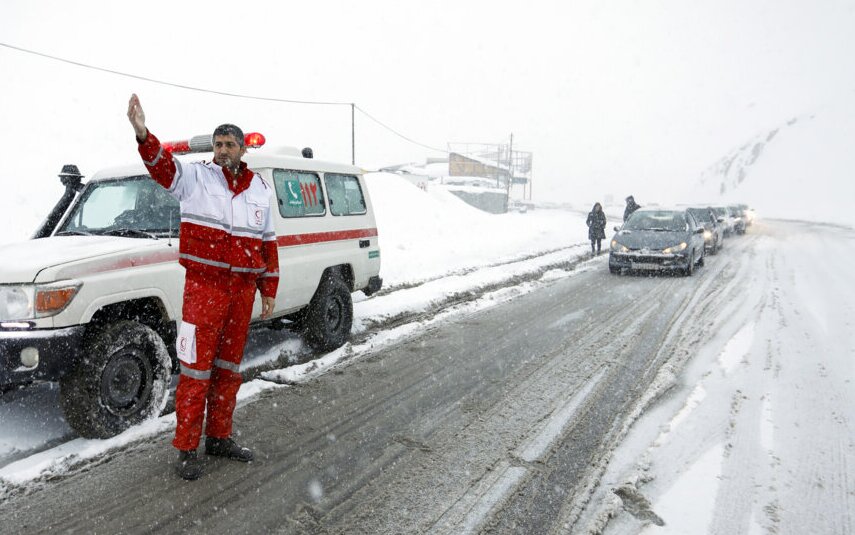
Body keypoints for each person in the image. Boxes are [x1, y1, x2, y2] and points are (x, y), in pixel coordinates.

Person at [127, 94, 279, 480]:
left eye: (230, 144)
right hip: (204, 290)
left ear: (243, 149)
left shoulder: (260, 188)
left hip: (242, 292)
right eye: (218, 144)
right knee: (196, 372)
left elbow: (267, 244)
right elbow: (162, 168)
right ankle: (186, 448)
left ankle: (219, 437)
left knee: (228, 370)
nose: (223, 150)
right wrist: (143, 133)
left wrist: (269, 288)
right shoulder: (195, 177)